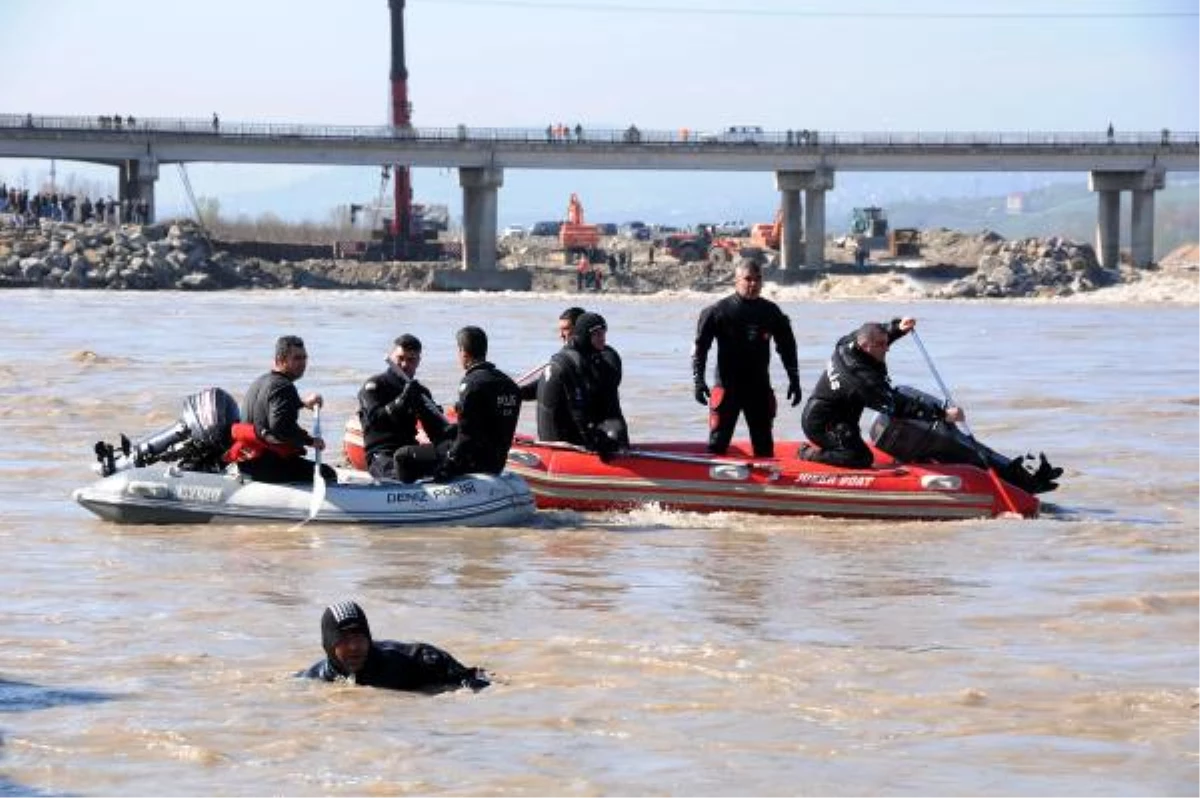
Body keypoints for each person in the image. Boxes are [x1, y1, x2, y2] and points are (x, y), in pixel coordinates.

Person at [800, 318, 962, 470]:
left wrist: (897, 328)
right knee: (859, 457)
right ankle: (809, 454)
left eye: (886, 342)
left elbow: (873, 333)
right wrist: (941, 414)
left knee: (855, 435)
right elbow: (895, 404)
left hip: (839, 416)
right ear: (865, 347)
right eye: (882, 344)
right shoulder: (862, 380)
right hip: (823, 424)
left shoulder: (848, 343)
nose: (888, 348)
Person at [692, 261, 800, 457]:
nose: (753, 284)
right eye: (748, 279)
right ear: (736, 281)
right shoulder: (717, 311)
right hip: (726, 388)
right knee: (717, 445)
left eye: (758, 279)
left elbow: (787, 347)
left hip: (758, 388)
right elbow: (701, 349)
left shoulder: (771, 312)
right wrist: (698, 380)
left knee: (764, 447)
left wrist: (795, 379)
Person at [393, 326, 521, 483]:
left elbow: (466, 437)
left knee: (403, 455)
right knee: (445, 436)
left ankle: (408, 500)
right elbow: (487, 426)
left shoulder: (471, 383)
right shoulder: (510, 385)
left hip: (473, 462)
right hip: (496, 462)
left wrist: (448, 465)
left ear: (463, 352)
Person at [298, 601, 489, 693]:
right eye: (345, 639)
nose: (355, 646)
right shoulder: (315, 677)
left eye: (360, 637)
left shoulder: (409, 660)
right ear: (329, 645)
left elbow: (474, 680)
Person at [231, 335, 336, 484]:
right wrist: (311, 441)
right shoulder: (284, 386)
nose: (303, 363)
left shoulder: (260, 382)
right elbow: (280, 427)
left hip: (247, 462)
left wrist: (302, 404)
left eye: (305, 358)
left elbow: (271, 410)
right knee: (328, 474)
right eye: (297, 358)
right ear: (281, 360)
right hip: (269, 467)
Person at [357, 334, 451, 480]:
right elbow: (376, 420)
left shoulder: (420, 392)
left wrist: (445, 426)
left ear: (418, 362)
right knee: (400, 473)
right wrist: (401, 401)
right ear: (391, 357)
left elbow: (435, 432)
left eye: (411, 360)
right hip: (382, 454)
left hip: (409, 452)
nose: (405, 364)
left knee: (451, 458)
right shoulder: (374, 386)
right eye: (400, 358)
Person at [536, 312, 629, 456]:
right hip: (563, 442)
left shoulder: (605, 357)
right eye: (597, 334)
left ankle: (618, 447)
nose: (602, 338)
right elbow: (578, 411)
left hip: (597, 427)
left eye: (603, 333)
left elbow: (608, 394)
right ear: (584, 335)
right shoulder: (570, 361)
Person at [519, 306, 585, 402]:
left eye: (566, 329)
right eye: (560, 330)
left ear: (580, 329)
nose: (561, 335)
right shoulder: (565, 356)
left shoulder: (598, 359)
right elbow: (544, 384)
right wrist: (516, 391)